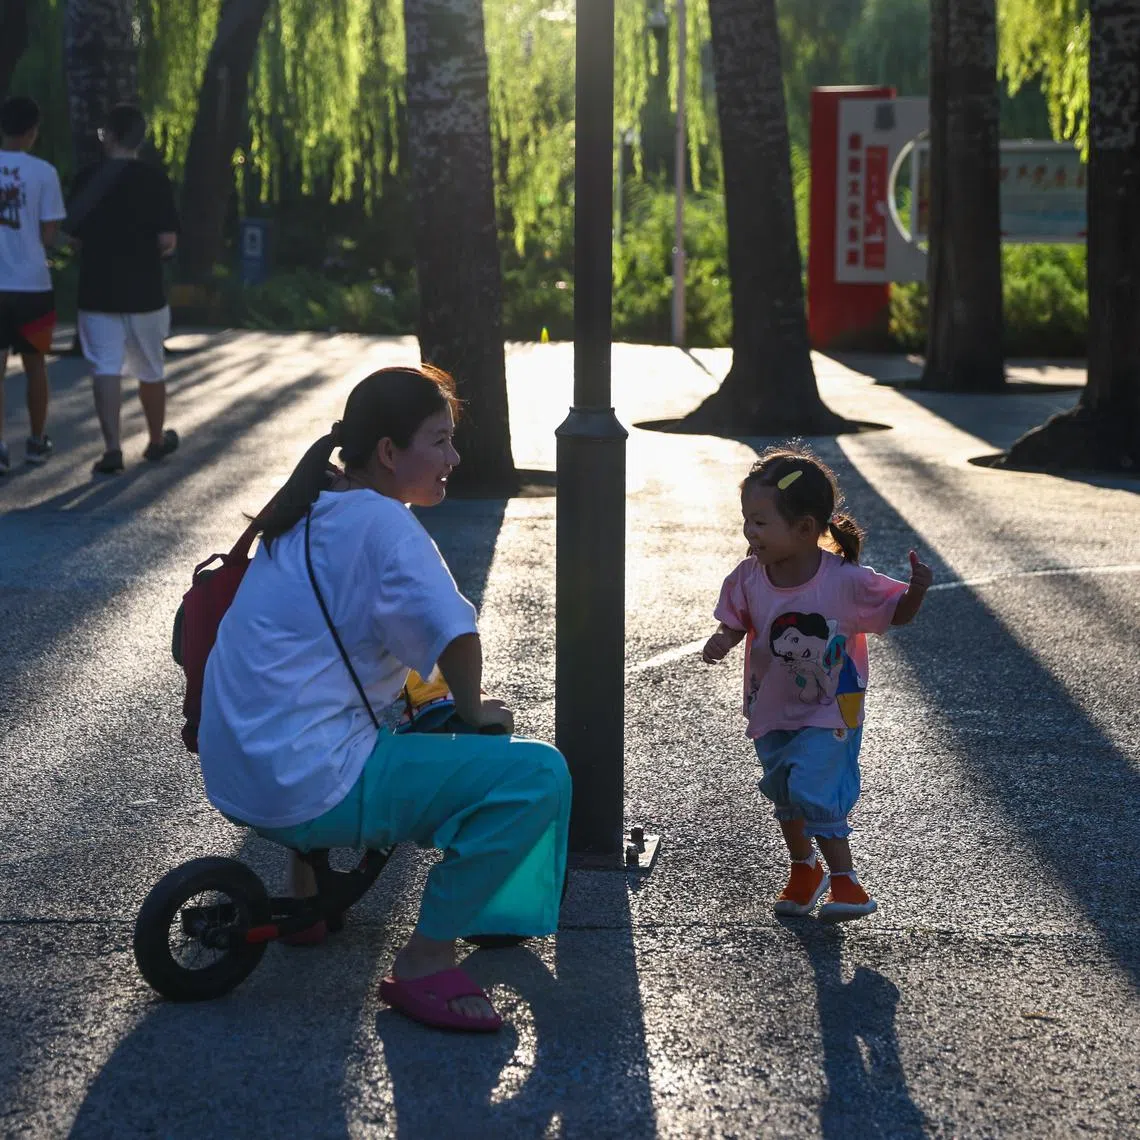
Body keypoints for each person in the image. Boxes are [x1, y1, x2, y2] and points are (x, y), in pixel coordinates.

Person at [197, 365, 571, 1032]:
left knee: (356, 703)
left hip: (240, 772)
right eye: (440, 440)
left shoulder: (309, 509)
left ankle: (305, 898)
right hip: (310, 784)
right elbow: (455, 635)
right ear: (390, 453)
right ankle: (428, 960)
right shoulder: (385, 527)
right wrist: (477, 710)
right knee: (538, 773)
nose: (454, 457)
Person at [702, 444, 932, 922]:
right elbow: (735, 620)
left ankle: (847, 885)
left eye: (761, 521)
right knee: (785, 792)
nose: (750, 531)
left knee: (814, 788)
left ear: (806, 528)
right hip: (771, 708)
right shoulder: (749, 577)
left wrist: (917, 592)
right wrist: (722, 640)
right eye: (747, 519)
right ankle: (804, 870)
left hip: (832, 709)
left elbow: (895, 614)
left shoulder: (845, 580)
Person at [65, 104, 180, 475]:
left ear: (109, 135)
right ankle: (156, 439)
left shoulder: (86, 179)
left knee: (105, 368)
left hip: (97, 290)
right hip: (145, 291)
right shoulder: (154, 180)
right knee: (151, 368)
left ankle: (113, 448)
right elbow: (167, 241)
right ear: (139, 139)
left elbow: (73, 240)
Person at [0, 95, 65, 474]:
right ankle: (37, 441)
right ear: (32, 131)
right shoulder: (44, 173)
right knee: (35, 365)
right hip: (33, 285)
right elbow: (48, 234)